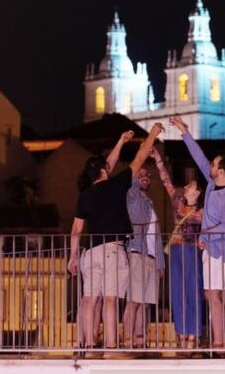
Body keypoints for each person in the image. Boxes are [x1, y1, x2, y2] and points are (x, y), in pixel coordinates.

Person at [68, 123, 164, 352]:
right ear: (104, 170)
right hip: (112, 249)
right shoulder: (116, 185)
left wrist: (73, 257)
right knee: (110, 299)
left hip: (89, 252)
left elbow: (75, 231)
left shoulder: (85, 195)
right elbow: (141, 157)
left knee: (90, 298)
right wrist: (152, 134)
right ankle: (111, 346)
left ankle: (89, 344)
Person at [169, 116, 225, 349]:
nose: (209, 166)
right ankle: (224, 341)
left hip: (221, 249)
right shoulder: (212, 184)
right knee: (220, 296)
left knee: (213, 295)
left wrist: (204, 234)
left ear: (221, 170)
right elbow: (199, 156)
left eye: (213, 164)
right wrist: (183, 131)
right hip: (213, 247)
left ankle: (220, 343)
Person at [151, 148, 205, 349]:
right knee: (178, 293)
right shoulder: (179, 205)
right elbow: (166, 183)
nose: (185, 186)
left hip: (192, 251)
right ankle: (182, 333)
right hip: (175, 251)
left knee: (193, 291)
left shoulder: (203, 211)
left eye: (190, 185)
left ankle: (194, 335)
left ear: (197, 192)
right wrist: (158, 160)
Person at [122, 161, 165, 348]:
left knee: (145, 302)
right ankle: (127, 340)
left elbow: (156, 235)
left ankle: (140, 341)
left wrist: (160, 262)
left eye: (147, 175)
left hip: (150, 257)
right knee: (134, 301)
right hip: (137, 252)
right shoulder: (132, 197)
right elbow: (131, 176)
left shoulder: (149, 202)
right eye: (141, 175)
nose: (145, 177)